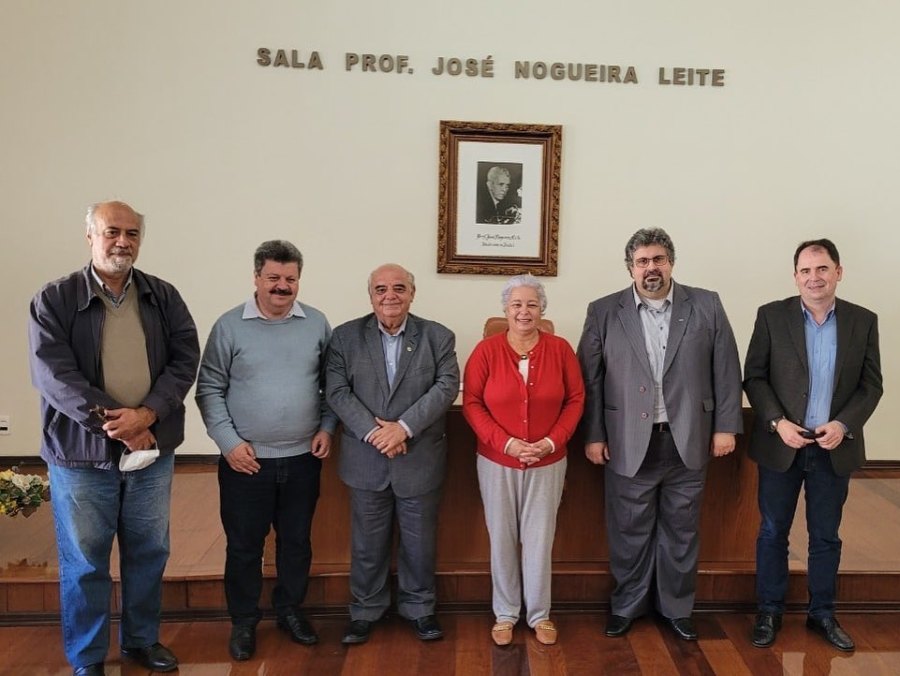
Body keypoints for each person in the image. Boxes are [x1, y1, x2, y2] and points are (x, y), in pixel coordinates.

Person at [28, 201, 200, 676]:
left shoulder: (163, 296)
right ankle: (87, 657)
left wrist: (147, 416)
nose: (122, 241)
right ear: (90, 236)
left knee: (149, 552)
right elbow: (53, 375)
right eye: (112, 232)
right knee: (85, 561)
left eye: (131, 233)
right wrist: (116, 424)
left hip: (151, 449)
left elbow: (185, 359)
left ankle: (141, 641)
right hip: (81, 456)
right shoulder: (54, 299)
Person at [577, 227, 742, 641]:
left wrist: (726, 427)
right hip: (627, 442)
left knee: (682, 531)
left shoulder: (706, 304)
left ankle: (677, 608)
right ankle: (627, 606)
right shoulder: (604, 311)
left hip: (688, 439)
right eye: (642, 261)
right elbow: (589, 380)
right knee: (628, 530)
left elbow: (726, 369)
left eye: (658, 259)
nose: (651, 268)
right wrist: (593, 434)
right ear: (630, 268)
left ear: (671, 262)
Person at [195, 240, 337, 661]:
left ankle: (290, 610)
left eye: (290, 278)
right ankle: (243, 621)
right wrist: (229, 444)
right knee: (244, 546)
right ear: (256, 277)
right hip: (246, 462)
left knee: (296, 542)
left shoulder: (317, 323)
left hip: (302, 459)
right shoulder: (229, 326)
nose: (282, 286)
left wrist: (327, 427)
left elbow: (333, 386)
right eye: (273, 277)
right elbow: (208, 390)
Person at [743, 239, 882, 652]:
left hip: (833, 448)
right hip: (782, 445)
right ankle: (769, 612)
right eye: (805, 270)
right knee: (773, 532)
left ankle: (822, 613)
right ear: (795, 276)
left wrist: (843, 424)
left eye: (822, 269)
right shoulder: (771, 316)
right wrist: (776, 422)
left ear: (838, 272)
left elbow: (871, 385)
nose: (814, 277)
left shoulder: (863, 321)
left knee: (826, 536)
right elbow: (754, 377)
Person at [326, 263, 459, 645]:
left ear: (412, 294)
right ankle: (365, 610)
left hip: (418, 457)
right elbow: (337, 391)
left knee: (419, 543)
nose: (390, 296)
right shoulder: (345, 337)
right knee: (367, 544)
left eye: (399, 288)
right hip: (366, 458)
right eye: (381, 289)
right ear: (370, 295)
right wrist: (376, 433)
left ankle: (420, 608)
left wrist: (402, 428)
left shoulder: (438, 336)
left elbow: (446, 386)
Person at [463, 275, 584, 646]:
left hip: (549, 461)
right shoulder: (485, 351)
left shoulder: (561, 349)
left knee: (539, 538)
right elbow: (472, 403)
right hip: (497, 461)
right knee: (501, 537)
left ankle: (540, 614)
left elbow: (576, 400)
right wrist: (507, 444)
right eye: (516, 304)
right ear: (505, 309)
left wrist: (549, 442)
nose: (524, 311)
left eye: (532, 304)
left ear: (542, 309)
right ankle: (505, 614)